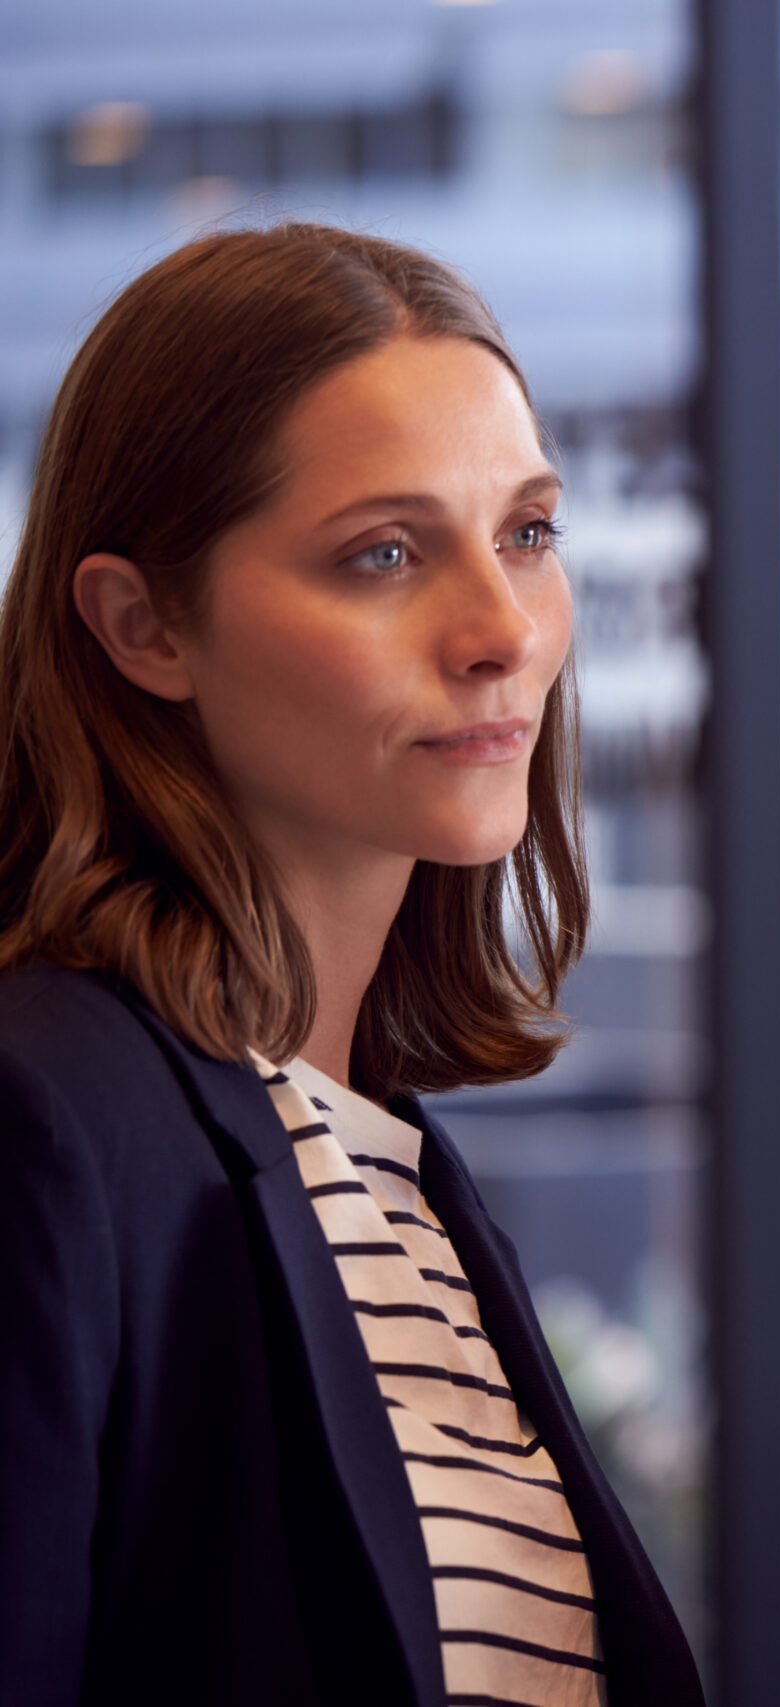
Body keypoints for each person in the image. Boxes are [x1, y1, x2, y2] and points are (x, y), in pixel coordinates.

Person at [0, 225, 702, 1707]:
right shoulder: (43, 1108)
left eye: (526, 531)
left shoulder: (393, 1163)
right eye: (384, 553)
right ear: (141, 626)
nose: (503, 630)